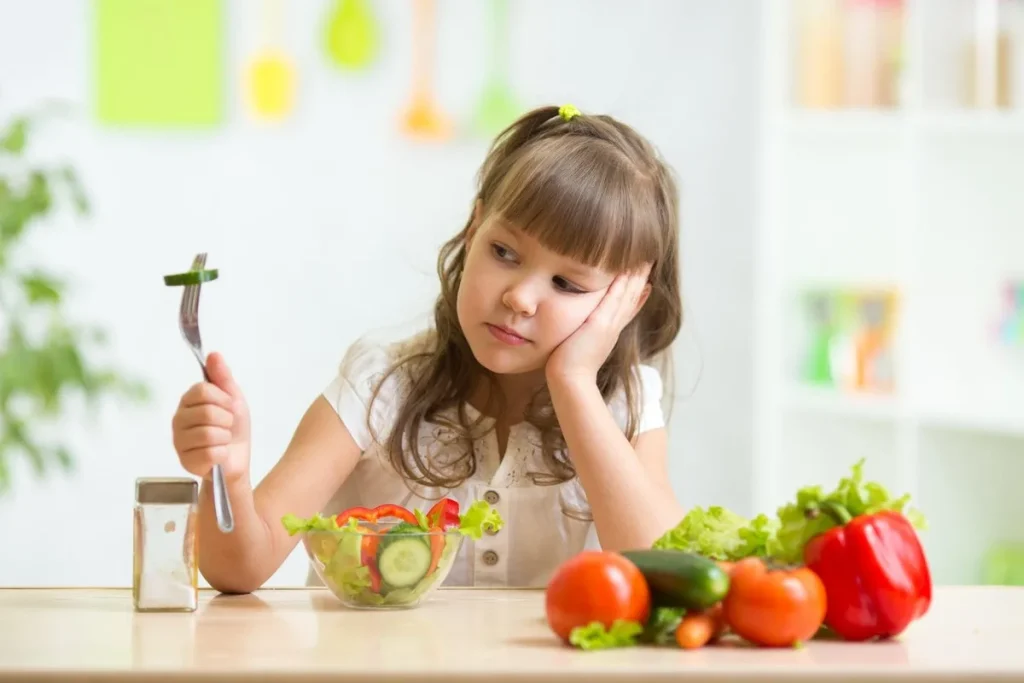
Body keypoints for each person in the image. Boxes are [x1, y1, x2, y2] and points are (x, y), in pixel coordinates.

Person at [171, 104, 687, 594]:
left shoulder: (627, 401)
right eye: (504, 252)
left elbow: (666, 577)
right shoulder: (380, 384)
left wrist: (574, 384)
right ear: (473, 229)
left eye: (567, 284)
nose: (520, 297)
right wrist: (230, 475)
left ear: (624, 302)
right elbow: (238, 568)